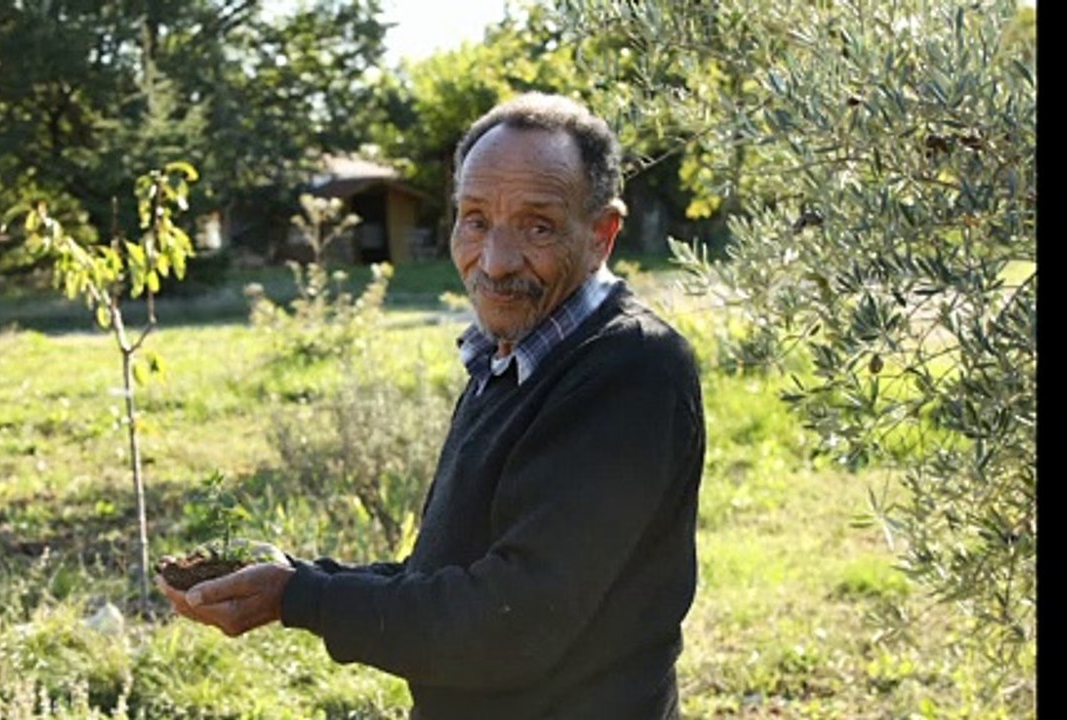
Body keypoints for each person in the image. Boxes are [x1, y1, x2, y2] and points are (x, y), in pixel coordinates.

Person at [157, 92, 706, 720]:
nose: (494, 262)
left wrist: (301, 597)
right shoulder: (513, 355)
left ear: (602, 234)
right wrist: (296, 579)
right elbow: (451, 574)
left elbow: (510, 622)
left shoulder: (631, 368)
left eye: (537, 226)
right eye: (475, 219)